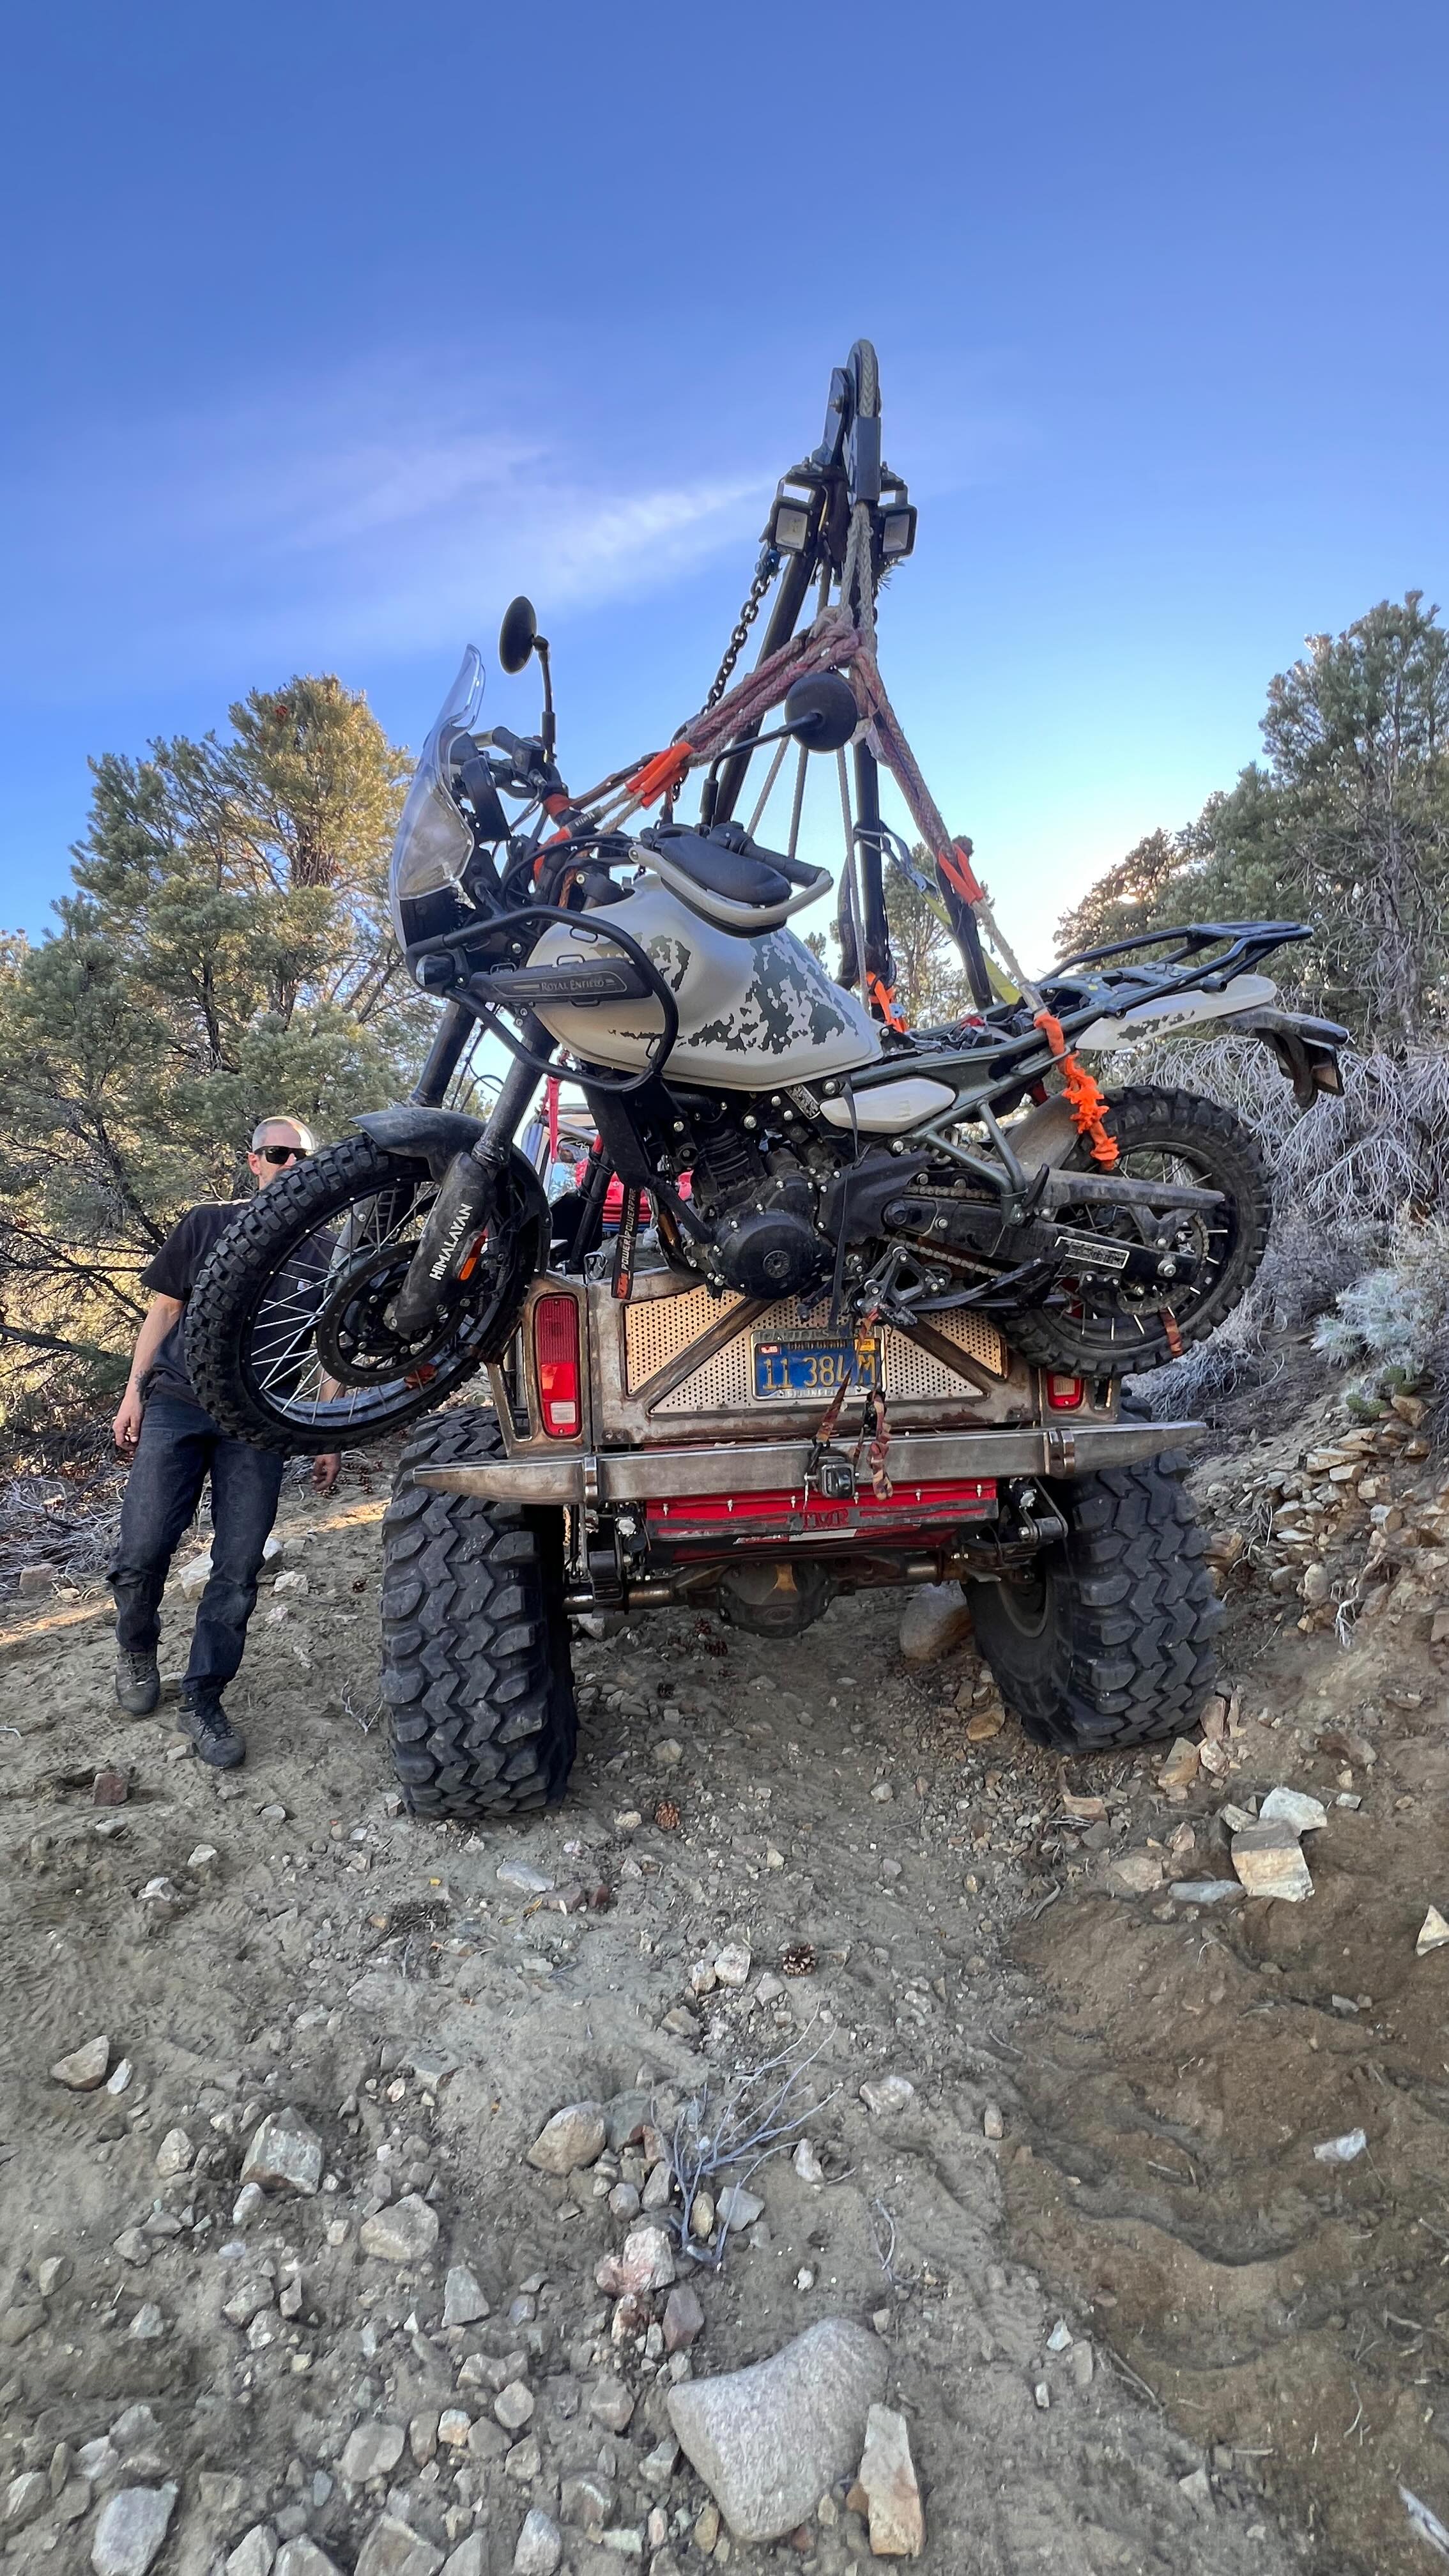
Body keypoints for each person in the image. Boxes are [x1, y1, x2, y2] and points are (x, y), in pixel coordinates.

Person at [108, 1117, 341, 1769]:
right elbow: (163, 1311)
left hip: (259, 1423)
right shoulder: (207, 1223)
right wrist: (134, 1392)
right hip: (178, 1405)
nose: (289, 1165)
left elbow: (327, 1351)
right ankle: (136, 1648)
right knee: (142, 1550)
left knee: (237, 1571)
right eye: (277, 1154)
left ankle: (203, 1700)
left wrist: (327, 1430)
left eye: (301, 1157)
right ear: (253, 1161)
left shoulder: (326, 1254)